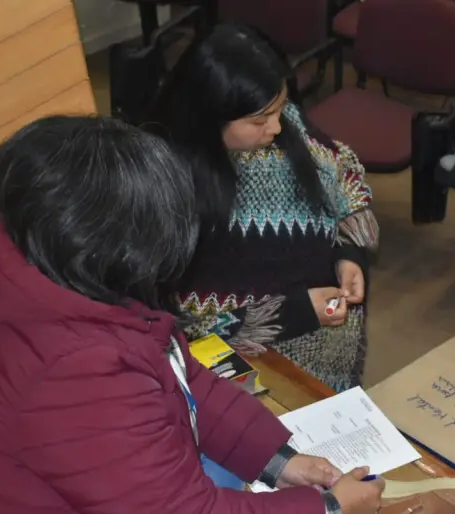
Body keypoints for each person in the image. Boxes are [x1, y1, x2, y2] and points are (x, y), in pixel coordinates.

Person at [0, 116, 455, 514]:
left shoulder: (39, 257)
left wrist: (280, 461)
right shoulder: (69, 368)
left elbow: (172, 368)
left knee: (231, 494)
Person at [145, 23, 378, 391]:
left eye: (280, 109)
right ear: (209, 115)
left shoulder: (287, 124)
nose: (276, 127)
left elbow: (346, 177)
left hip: (327, 357)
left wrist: (350, 252)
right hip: (251, 377)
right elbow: (167, 326)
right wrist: (293, 314)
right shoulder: (161, 187)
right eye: (259, 120)